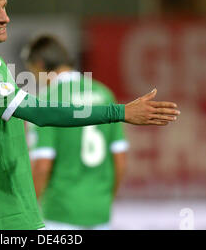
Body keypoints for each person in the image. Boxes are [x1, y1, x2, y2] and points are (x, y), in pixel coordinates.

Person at [0, 0, 180, 230]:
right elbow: (40, 113)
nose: (4, 18)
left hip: (20, 216)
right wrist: (119, 112)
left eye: (4, 7)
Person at [22, 35, 129, 230]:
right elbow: (120, 161)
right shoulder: (105, 94)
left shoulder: (45, 101)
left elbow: (42, 166)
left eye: (32, 71)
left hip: (59, 214)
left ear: (39, 64)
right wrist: (104, 201)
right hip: (101, 213)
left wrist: (26, 212)